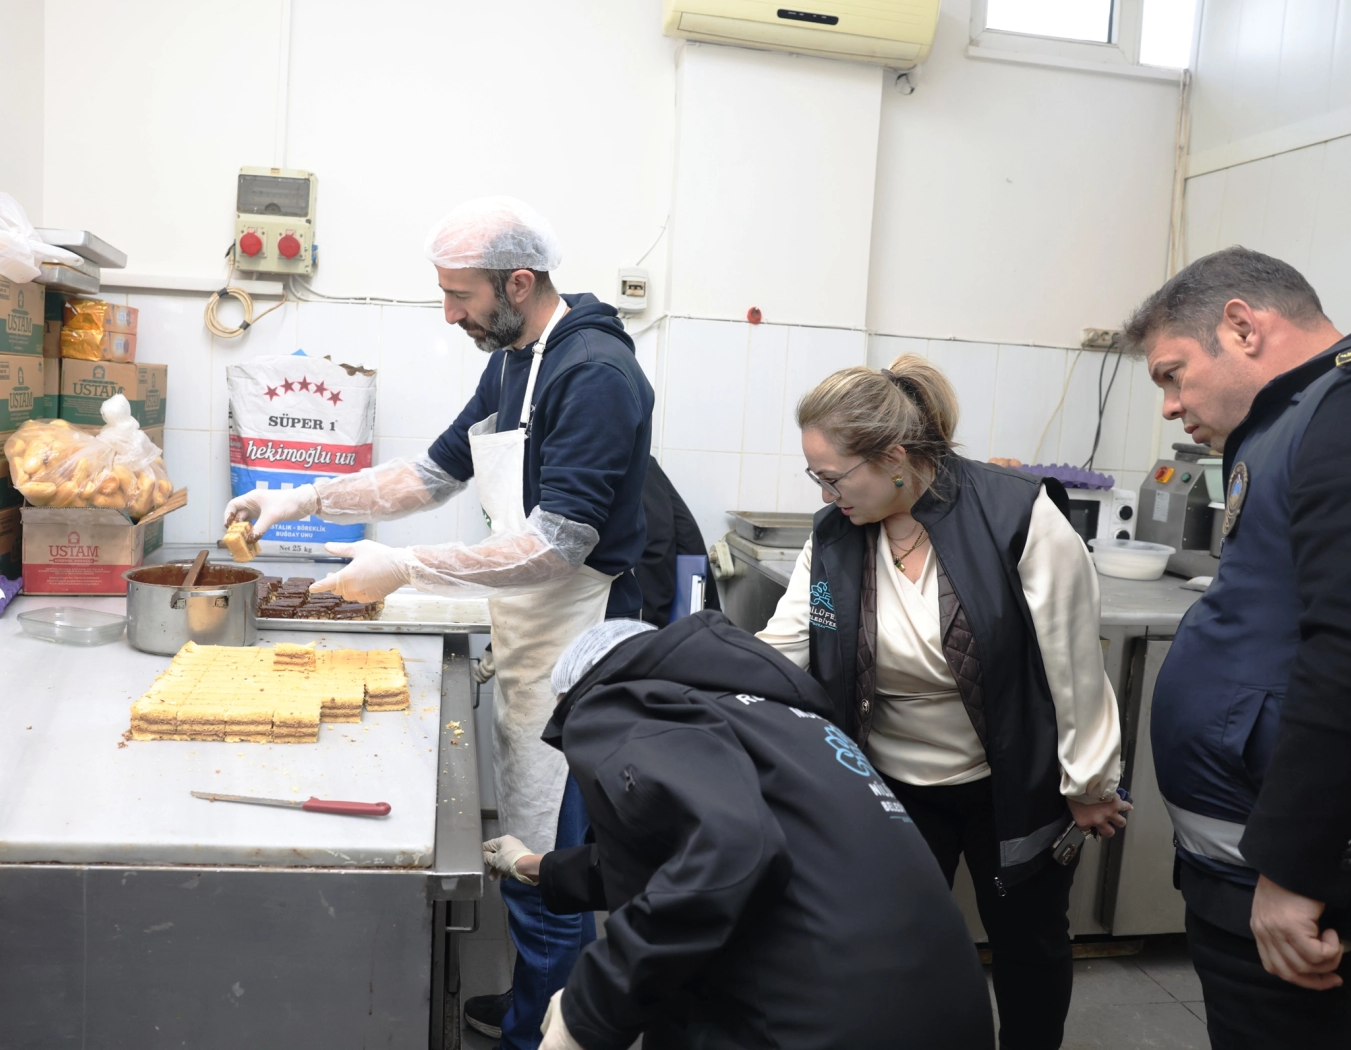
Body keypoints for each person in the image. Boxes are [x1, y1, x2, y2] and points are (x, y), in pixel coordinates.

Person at [225, 196, 654, 1050]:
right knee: (529, 849)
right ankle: (532, 1009)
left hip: (580, 645)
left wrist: (407, 567)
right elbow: (432, 474)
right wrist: (301, 498)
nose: (450, 314)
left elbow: (558, 546)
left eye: (461, 295)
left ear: (519, 283)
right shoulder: (515, 361)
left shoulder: (594, 374)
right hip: (531, 625)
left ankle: (547, 1035)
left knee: (550, 866)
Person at [755, 356, 1129, 1050]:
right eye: (817, 477)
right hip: (893, 784)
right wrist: (699, 680)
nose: (826, 493)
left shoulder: (1016, 516)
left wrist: (1090, 784)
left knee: (1028, 943)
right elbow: (786, 644)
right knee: (898, 945)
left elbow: (1074, 663)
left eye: (834, 476)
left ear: (894, 458)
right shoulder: (836, 536)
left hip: (1010, 781)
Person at [1123, 246, 1351, 1049]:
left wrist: (1294, 870)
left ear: (1242, 327)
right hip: (1258, 877)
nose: (1171, 407)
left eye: (1173, 374)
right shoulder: (1301, 415)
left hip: (1326, 898)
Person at [482, 613, 995, 1050]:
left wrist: (589, 1006)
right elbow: (683, 849)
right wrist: (539, 868)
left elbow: (731, 845)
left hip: (827, 1019)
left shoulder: (613, 704)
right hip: (949, 1002)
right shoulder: (777, 716)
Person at [635, 456, 720, 627]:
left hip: (679, 598)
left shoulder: (634, 462)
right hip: (671, 592)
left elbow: (657, 542)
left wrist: (647, 625)